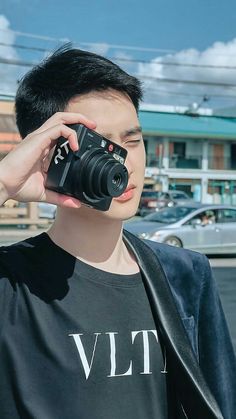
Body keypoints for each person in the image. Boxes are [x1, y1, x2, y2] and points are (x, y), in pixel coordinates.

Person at [0, 46, 235, 419]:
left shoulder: (185, 273)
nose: (120, 162)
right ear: (46, 152)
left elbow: (221, 397)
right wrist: (4, 181)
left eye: (132, 140)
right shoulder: (11, 281)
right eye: (99, 146)